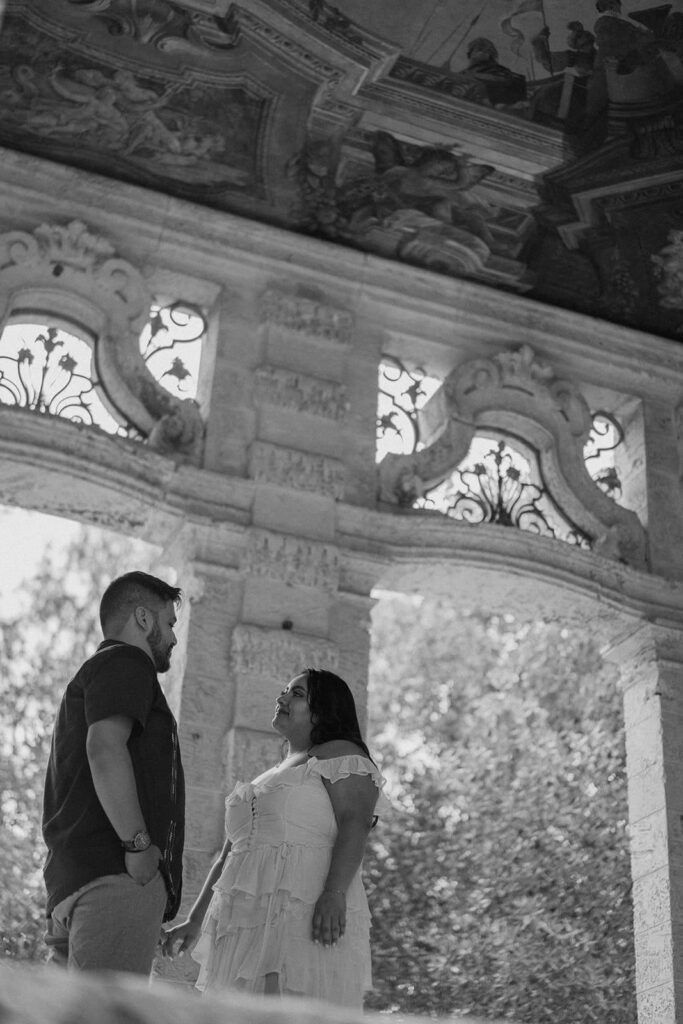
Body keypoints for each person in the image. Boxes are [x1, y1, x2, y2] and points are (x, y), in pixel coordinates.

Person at [161, 668, 388, 1009]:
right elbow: (229, 855)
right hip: (244, 921)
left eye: (297, 694)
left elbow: (354, 824)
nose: (282, 698)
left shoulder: (344, 757)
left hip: (301, 909)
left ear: (324, 710)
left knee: (286, 1007)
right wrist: (194, 921)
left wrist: (335, 892)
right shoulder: (271, 774)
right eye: (284, 690)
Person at [42, 570, 185, 975]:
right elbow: (104, 748)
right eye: (169, 623)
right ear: (143, 618)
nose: (173, 638)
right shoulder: (128, 661)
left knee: (70, 1009)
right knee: (105, 1010)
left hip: (74, 882)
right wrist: (139, 846)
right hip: (115, 876)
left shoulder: (95, 672)